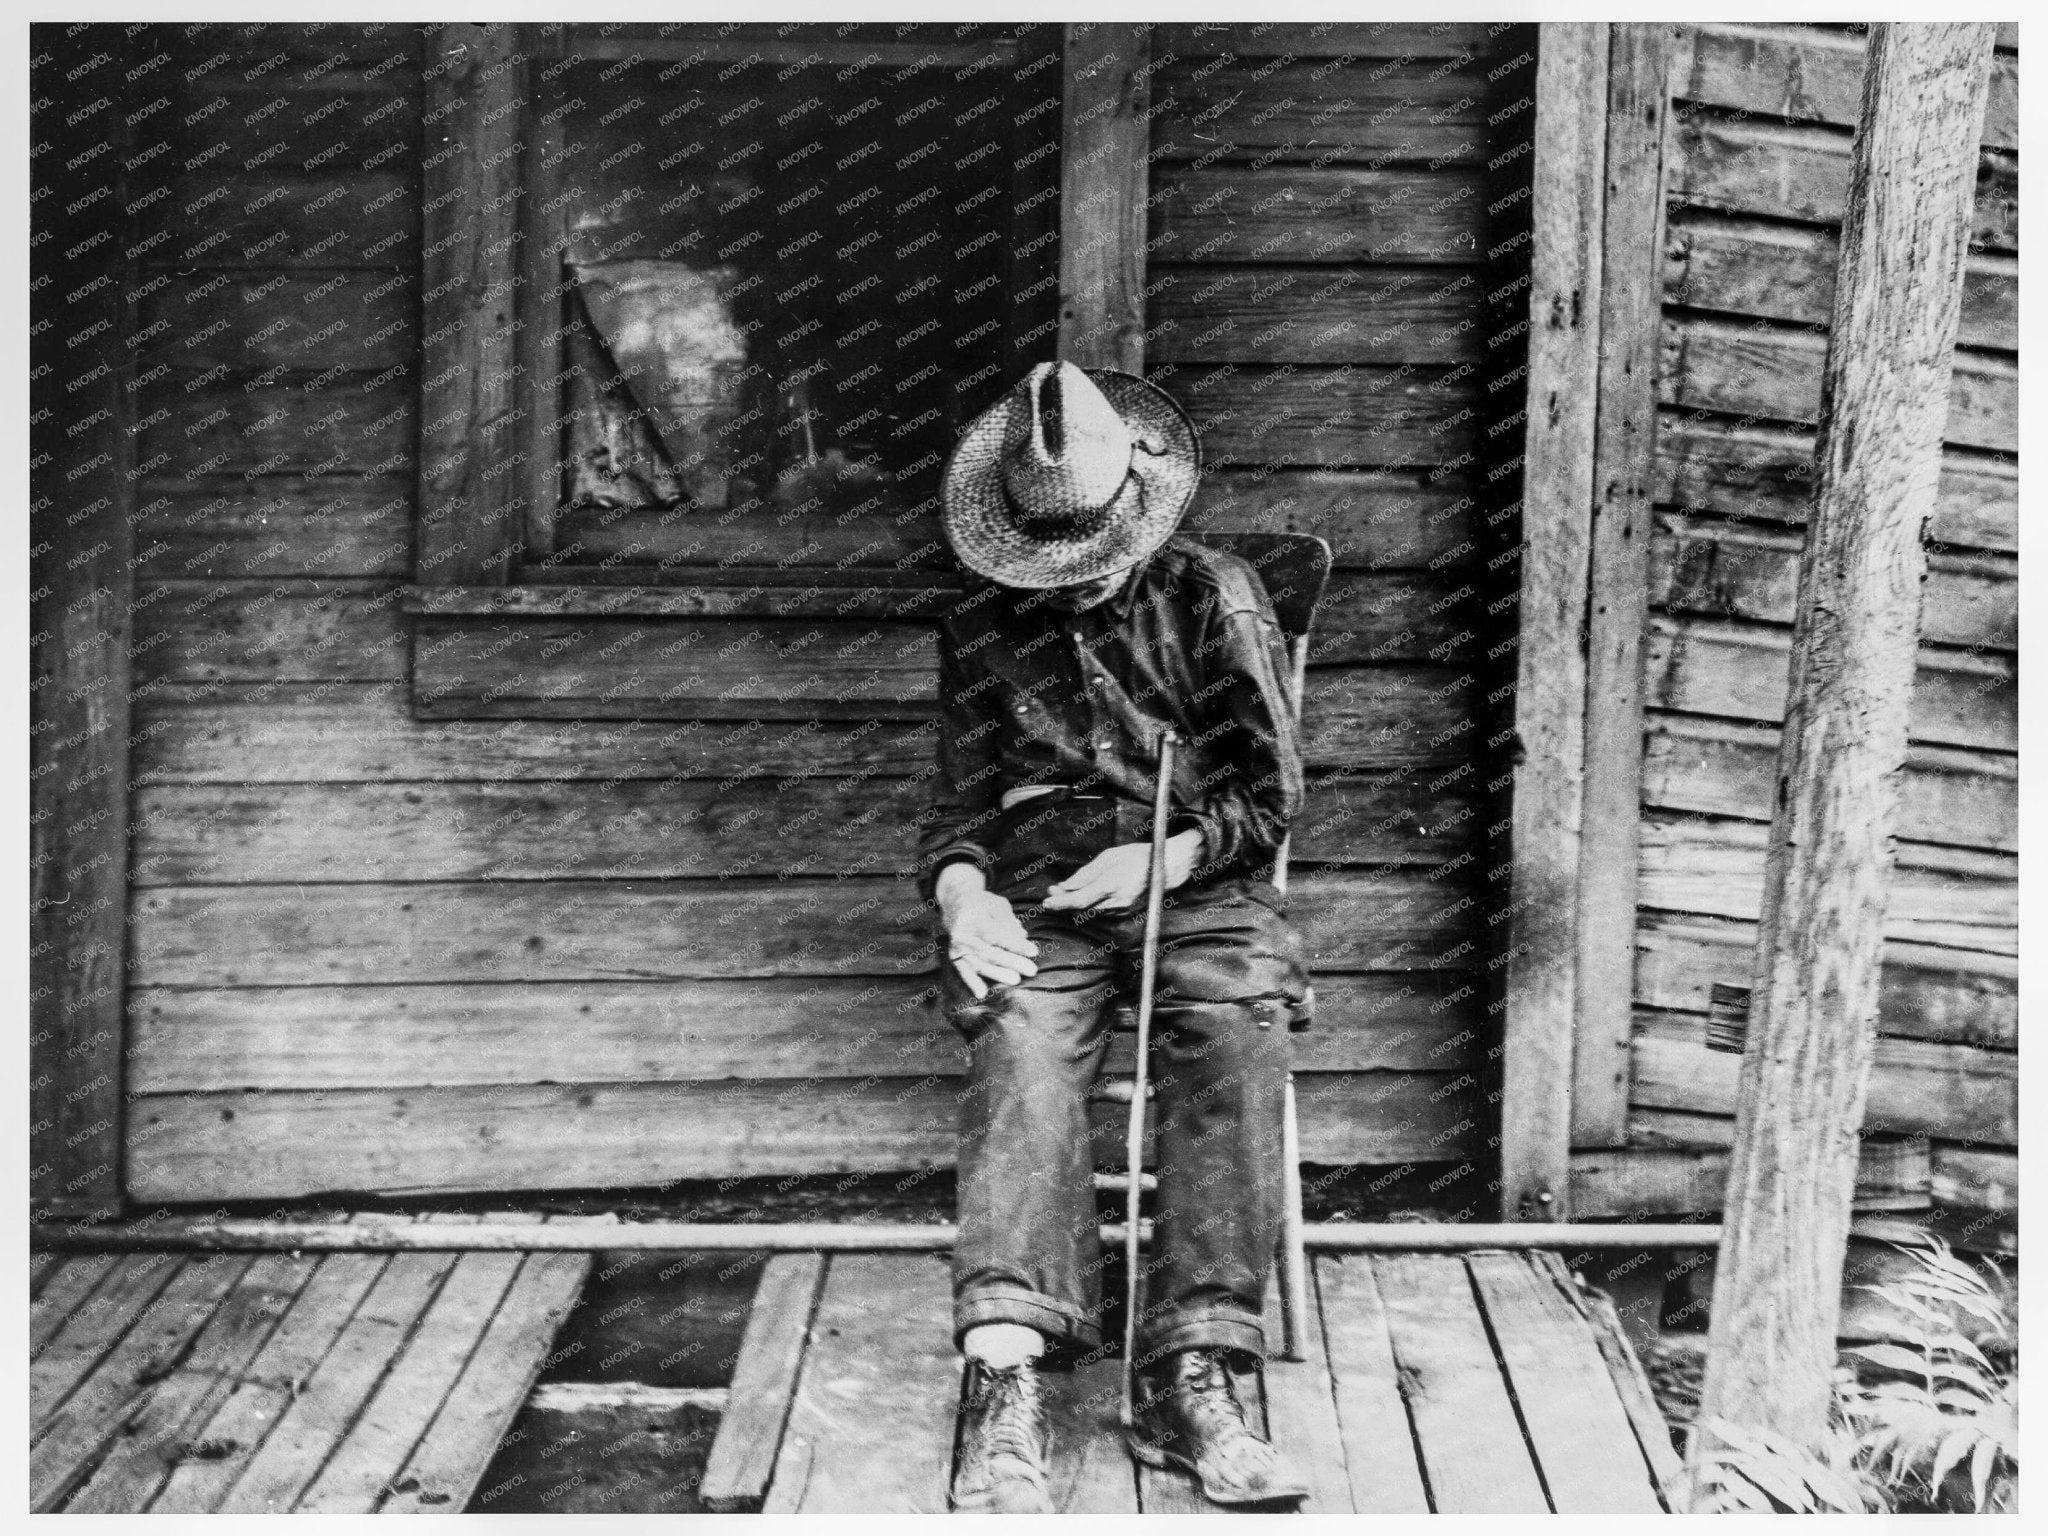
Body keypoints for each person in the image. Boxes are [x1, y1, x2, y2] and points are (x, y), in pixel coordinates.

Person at [921, 360, 1313, 1511]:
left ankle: (1195, 1371)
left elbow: (1270, 797)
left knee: (1232, 1027)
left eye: (1092, 561)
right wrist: (962, 896)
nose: (1073, 588)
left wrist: (1167, 855)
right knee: (1019, 1039)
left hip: (1198, 878)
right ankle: (1009, 1378)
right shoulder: (978, 626)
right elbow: (955, 810)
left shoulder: (1213, 596)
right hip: (1043, 893)